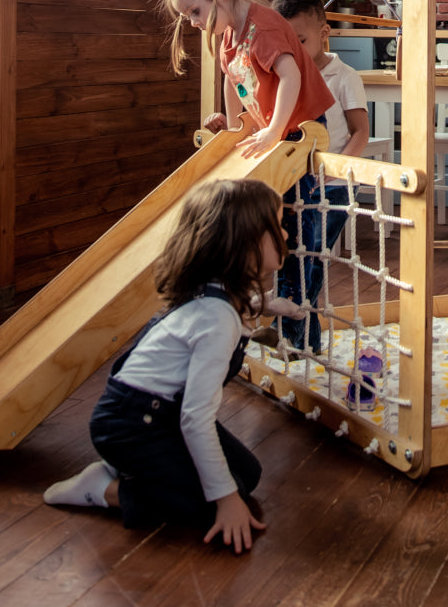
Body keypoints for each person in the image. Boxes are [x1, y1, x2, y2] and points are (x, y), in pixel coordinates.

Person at [43, 178, 290, 551]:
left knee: (248, 474)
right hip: (131, 424)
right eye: (278, 225)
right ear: (247, 243)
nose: (286, 233)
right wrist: (224, 500)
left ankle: (133, 470)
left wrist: (267, 305)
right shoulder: (217, 319)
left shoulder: (218, 291)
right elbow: (195, 418)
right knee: (220, 497)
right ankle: (103, 489)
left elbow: (233, 308)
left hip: (156, 414)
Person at [161, 0, 336, 355]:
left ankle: (299, 341)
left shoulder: (264, 26)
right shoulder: (228, 35)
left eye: (194, 11)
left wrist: (274, 129)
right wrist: (236, 123)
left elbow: (290, 76)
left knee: (297, 230)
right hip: (274, 132)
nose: (193, 22)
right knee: (270, 225)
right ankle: (279, 326)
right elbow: (232, 78)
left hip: (300, 132)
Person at [271, 0, 372, 353]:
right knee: (292, 259)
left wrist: (336, 170)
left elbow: (361, 131)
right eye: (287, 42)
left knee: (310, 259)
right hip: (295, 184)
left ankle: (284, 330)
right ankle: (306, 345)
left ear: (323, 33)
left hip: (333, 186)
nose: (293, 50)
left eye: (300, 40)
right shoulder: (287, 78)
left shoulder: (343, 77)